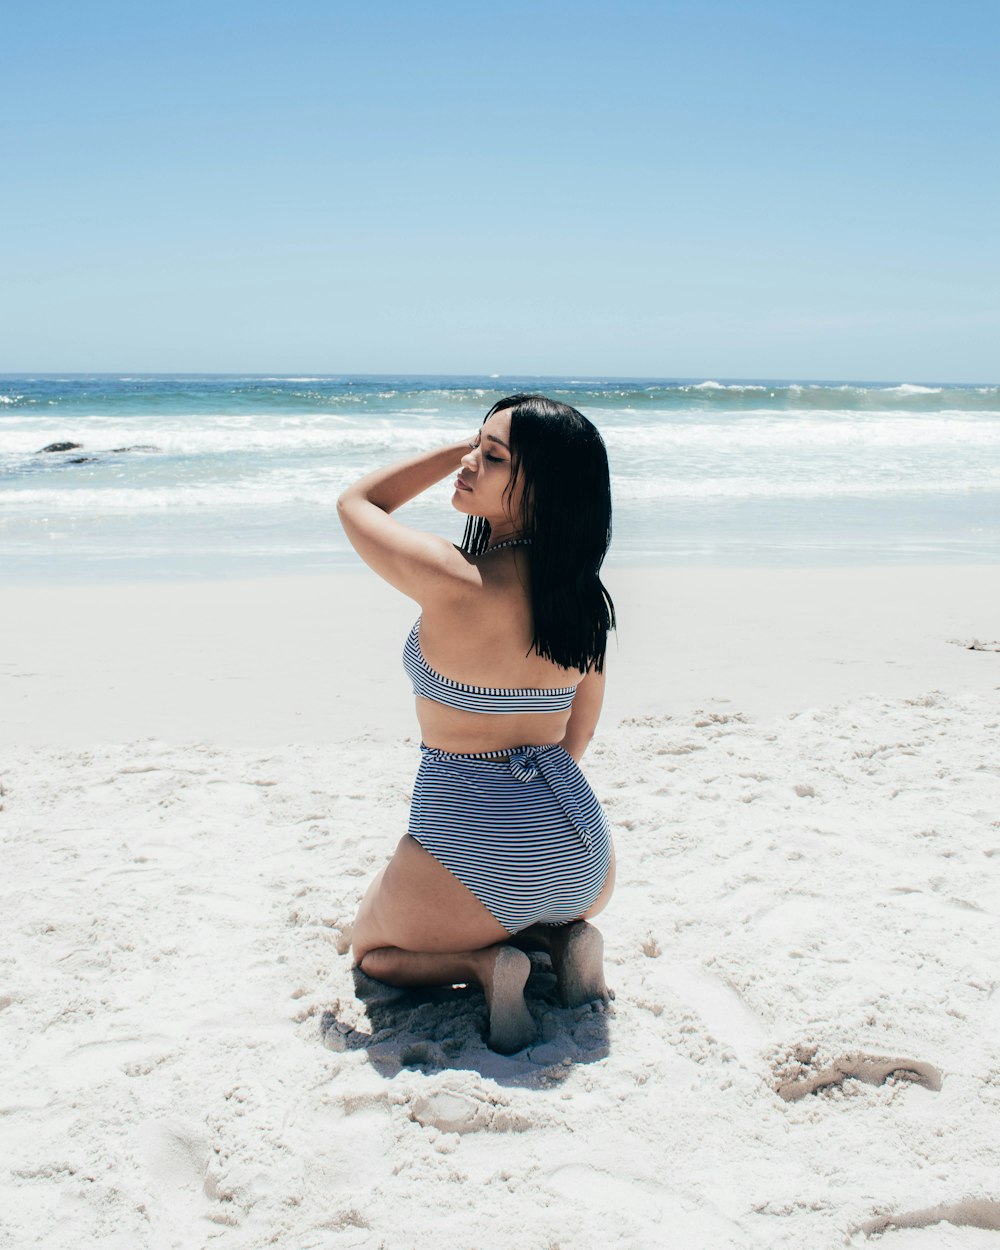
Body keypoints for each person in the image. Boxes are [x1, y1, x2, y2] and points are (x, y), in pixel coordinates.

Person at [337, 394, 616, 1053]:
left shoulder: (450, 577)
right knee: (509, 901)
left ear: (539, 487)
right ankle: (560, 937)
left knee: (371, 949)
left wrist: (442, 453)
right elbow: (579, 733)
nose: (469, 462)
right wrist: (480, 454)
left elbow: (357, 504)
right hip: (582, 858)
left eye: (491, 457)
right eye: (472, 448)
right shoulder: (583, 601)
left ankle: (484, 965)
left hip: (470, 843)